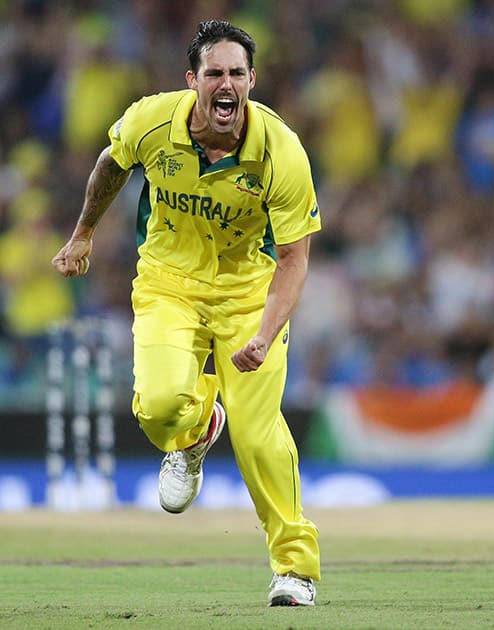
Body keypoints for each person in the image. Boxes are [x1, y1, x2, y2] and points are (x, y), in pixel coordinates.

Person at [52, 20, 321, 607]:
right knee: (158, 410)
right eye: (214, 73)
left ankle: (294, 569)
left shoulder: (282, 153)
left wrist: (265, 333)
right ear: (192, 79)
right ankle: (197, 430)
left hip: (249, 294)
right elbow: (111, 164)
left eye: (237, 73)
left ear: (253, 79)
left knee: (258, 433)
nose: (226, 85)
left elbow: (295, 260)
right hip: (168, 283)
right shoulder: (151, 119)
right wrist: (83, 235)